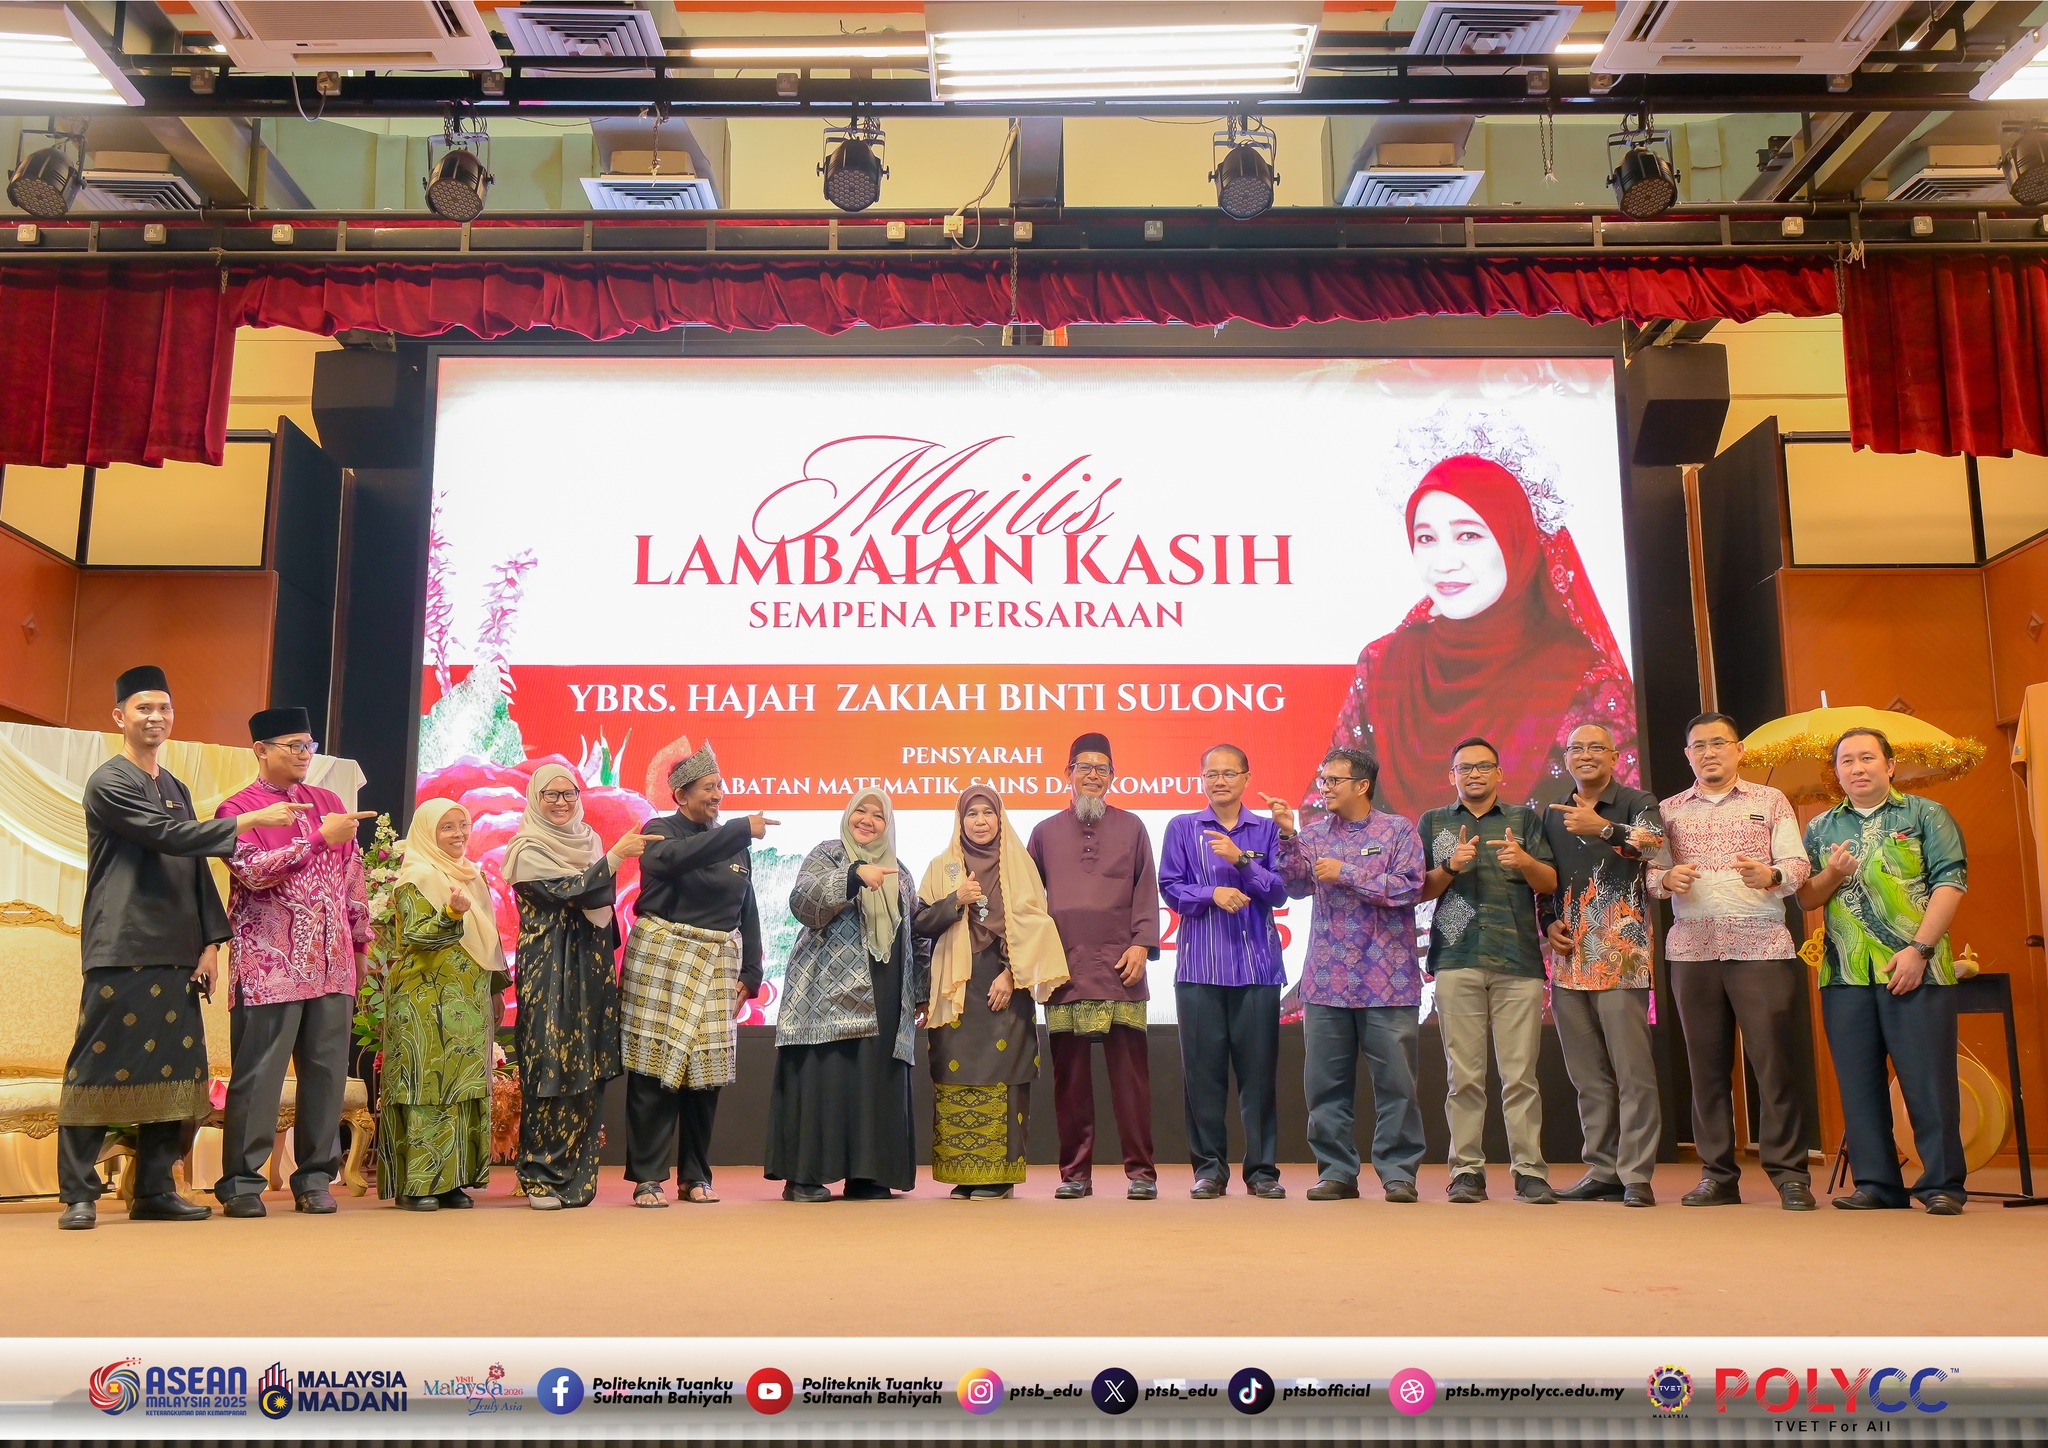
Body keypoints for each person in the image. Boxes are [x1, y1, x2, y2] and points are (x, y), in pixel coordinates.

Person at [57, 666, 311, 1230]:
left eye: (164, 708)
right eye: (144, 708)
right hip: (123, 945)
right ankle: (78, 1194)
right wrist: (249, 819)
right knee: (99, 1068)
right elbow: (166, 836)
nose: (156, 718)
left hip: (178, 949)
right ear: (120, 717)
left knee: (176, 1073)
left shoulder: (175, 786)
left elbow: (194, 865)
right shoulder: (109, 781)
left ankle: (153, 1190)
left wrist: (211, 942)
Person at [1318, 452, 1637, 822]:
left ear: (1515, 538)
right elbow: (1326, 804)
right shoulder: (1383, 662)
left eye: (1468, 535)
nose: (1444, 562)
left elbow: (1624, 818)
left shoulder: (1585, 681)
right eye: (1426, 538)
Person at [1648, 712, 1817, 1211]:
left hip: (1760, 948)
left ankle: (1790, 1175)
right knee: (1706, 1070)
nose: (1709, 753)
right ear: (1687, 755)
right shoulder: (1668, 810)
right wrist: (1666, 879)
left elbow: (1797, 864)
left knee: (1774, 1064)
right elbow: (1651, 875)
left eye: (1718, 743)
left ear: (1739, 749)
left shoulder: (1770, 800)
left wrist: (1770, 875)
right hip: (1693, 951)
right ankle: (1718, 1175)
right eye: (1698, 745)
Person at [212, 706, 375, 1219]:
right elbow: (254, 872)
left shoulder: (328, 802)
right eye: (294, 746)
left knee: (326, 1073)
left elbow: (352, 877)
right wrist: (318, 838)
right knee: (259, 1074)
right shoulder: (237, 809)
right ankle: (242, 1182)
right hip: (270, 967)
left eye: (310, 745)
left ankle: (314, 1178)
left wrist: (360, 945)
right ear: (261, 750)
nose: (306, 754)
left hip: (332, 962)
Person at [1798, 728, 1969, 1215]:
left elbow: (1951, 883)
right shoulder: (1821, 827)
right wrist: (1833, 873)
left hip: (1918, 970)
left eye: (1867, 758)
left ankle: (1942, 1185)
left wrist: (1920, 950)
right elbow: (1806, 898)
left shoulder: (1926, 814)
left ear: (1890, 766)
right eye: (1846, 760)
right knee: (1858, 1085)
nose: (1857, 768)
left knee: (1928, 1082)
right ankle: (1877, 1184)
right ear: (1836, 772)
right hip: (1845, 972)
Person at [1271, 748, 1427, 1203]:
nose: (1324, 787)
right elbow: (1295, 886)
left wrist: (1348, 873)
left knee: (1397, 1086)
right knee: (1325, 1086)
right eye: (1322, 780)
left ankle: (1398, 1173)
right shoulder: (1314, 834)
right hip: (1327, 979)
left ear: (1362, 785)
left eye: (1333, 780)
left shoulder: (1398, 830)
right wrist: (1287, 837)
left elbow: (1410, 887)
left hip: (1389, 980)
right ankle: (1336, 1171)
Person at [621, 740, 771, 1207]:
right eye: (708, 787)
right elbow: (670, 860)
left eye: (720, 786)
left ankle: (695, 1175)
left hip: (717, 964)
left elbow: (747, 907)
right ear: (681, 795)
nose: (717, 795)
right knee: (653, 1071)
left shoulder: (732, 842)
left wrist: (752, 970)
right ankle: (648, 1177)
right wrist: (740, 829)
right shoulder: (660, 830)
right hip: (664, 960)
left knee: (705, 1075)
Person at [1418, 735, 1560, 1204]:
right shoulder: (1434, 821)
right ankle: (1466, 1172)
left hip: (1517, 959)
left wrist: (1525, 861)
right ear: (1451, 776)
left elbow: (1549, 882)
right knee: (1463, 1077)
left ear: (1500, 773)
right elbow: (1419, 890)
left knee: (1520, 1077)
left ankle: (1529, 1172)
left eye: (1483, 766)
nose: (1474, 774)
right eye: (1465, 768)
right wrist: (1449, 867)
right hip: (1456, 959)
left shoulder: (1523, 819)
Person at [768, 789, 926, 1202]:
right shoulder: (827, 855)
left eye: (878, 815)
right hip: (826, 994)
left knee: (875, 1081)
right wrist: (854, 875)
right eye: (861, 811)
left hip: (887, 991)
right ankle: (804, 1178)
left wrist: (922, 991)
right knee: (827, 1080)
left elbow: (915, 933)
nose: (868, 820)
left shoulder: (900, 871)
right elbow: (803, 903)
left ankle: (868, 1174)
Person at [504, 763, 650, 1210]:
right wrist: (615, 858)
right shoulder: (527, 848)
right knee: (550, 1065)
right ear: (535, 799)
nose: (562, 802)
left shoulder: (590, 841)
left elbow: (599, 903)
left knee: (588, 1067)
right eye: (550, 795)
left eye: (569, 794)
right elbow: (570, 891)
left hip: (590, 968)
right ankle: (539, 1176)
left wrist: (608, 859)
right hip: (550, 970)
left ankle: (575, 1176)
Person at [914, 787, 1069, 1198]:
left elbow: (1037, 924)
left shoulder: (1018, 864)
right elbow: (920, 923)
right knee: (956, 1073)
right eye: (972, 813)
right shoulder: (943, 866)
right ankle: (966, 1174)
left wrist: (1012, 974)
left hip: (1004, 985)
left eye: (988, 812)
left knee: (1004, 1075)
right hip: (956, 988)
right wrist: (955, 901)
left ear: (1001, 818)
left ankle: (999, 1177)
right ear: (960, 820)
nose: (980, 821)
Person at [1536, 722, 1666, 1208]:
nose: (1586, 754)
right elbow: (1546, 880)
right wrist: (1547, 923)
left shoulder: (1636, 802)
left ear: (1614, 756)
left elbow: (1655, 844)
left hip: (1621, 957)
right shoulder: (1553, 812)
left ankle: (1636, 1174)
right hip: (1570, 961)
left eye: (1597, 747)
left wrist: (1604, 828)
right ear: (1566, 758)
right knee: (1588, 1076)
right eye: (1577, 748)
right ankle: (1603, 1168)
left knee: (1633, 1073)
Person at [1027, 732, 1162, 1201]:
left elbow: (1146, 888)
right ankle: (1075, 1174)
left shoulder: (1133, 826)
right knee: (1070, 1082)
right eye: (1083, 767)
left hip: (1123, 968)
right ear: (1067, 773)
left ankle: (1141, 1173)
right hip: (1065, 971)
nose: (1092, 775)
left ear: (1112, 777)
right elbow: (1028, 901)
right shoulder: (1044, 832)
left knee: (1131, 1081)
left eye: (1101, 768)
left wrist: (1143, 944)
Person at [1158, 745, 1289, 1200]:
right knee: (1202, 1076)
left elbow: (1279, 893)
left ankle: (1263, 1171)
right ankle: (1209, 1170)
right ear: (1201, 779)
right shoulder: (1182, 827)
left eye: (1229, 773)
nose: (1219, 781)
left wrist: (1241, 860)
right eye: (1211, 774)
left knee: (1259, 1077)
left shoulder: (1268, 829)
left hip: (1257, 969)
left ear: (1246, 778)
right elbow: (1170, 887)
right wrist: (1211, 894)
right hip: (1199, 969)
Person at [381, 798, 508, 1210]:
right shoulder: (416, 877)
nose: (458, 834)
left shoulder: (473, 876)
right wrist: (451, 914)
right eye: (447, 827)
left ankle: (452, 1180)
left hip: (468, 997)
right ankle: (418, 1184)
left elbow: (488, 939)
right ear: (427, 832)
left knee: (462, 1085)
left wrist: (496, 988)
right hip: (423, 999)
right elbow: (416, 936)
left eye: (463, 824)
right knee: (425, 1083)